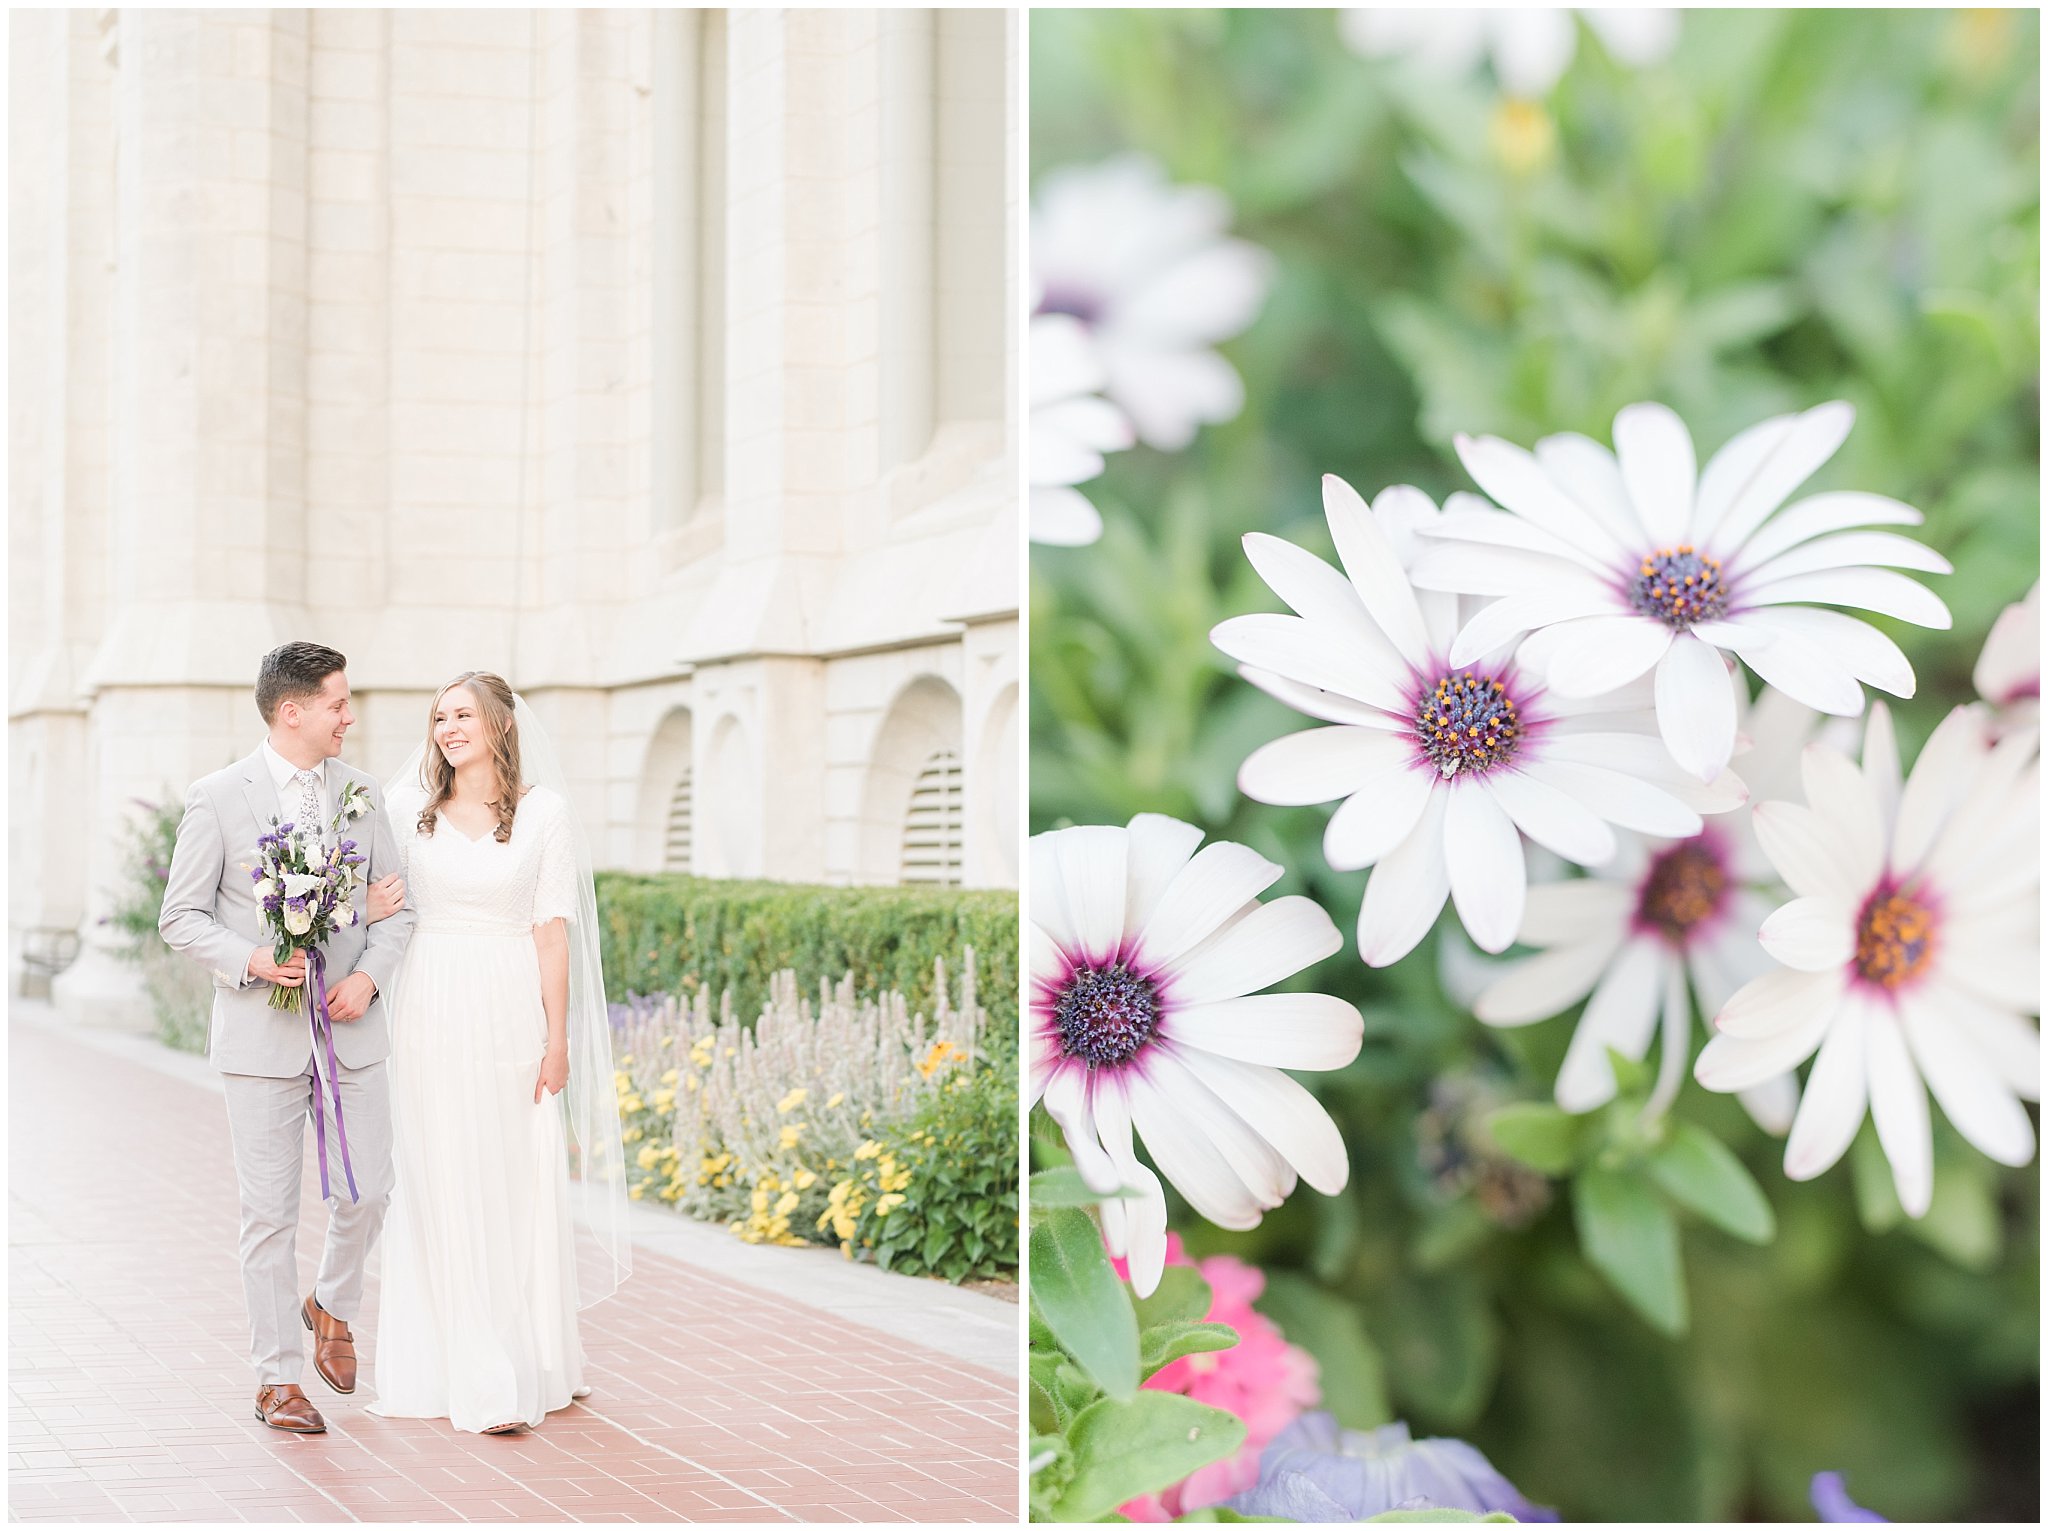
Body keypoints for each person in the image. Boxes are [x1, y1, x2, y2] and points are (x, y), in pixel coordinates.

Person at [159, 642, 416, 1435]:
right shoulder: (216, 798)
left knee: (370, 1190)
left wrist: (367, 977)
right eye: (339, 702)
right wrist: (252, 959)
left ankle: (331, 1301)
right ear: (292, 709)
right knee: (269, 1216)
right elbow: (181, 918)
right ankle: (277, 1379)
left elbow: (398, 909)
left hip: (350, 1032)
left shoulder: (365, 795)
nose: (351, 716)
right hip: (260, 1043)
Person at [365, 670, 630, 1434]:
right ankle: (469, 1368)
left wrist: (559, 1040)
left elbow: (552, 929)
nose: (448, 727)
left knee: (512, 1174)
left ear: (500, 726)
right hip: (428, 1004)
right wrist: (369, 904)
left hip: (510, 1005)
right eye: (440, 716)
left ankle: (537, 1352)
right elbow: (368, 898)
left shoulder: (545, 813)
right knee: (439, 1168)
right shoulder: (405, 808)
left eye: (463, 714)